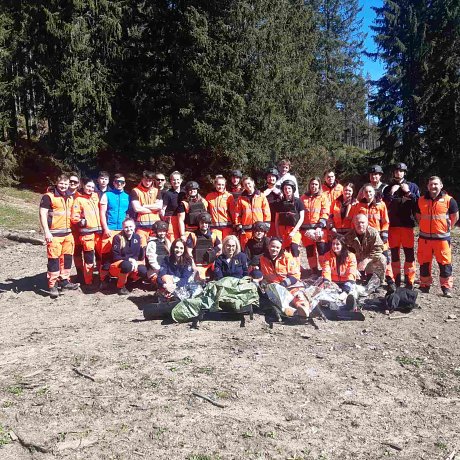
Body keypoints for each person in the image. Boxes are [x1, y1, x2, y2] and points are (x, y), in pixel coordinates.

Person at [415, 176, 459, 297]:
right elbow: (418, 216)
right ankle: (424, 285)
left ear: (441, 185)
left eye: (435, 184)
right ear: (427, 186)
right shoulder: (421, 200)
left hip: (442, 239)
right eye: (431, 184)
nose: (433, 187)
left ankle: (446, 287)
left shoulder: (449, 200)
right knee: (424, 262)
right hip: (425, 239)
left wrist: (448, 227)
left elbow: (455, 216)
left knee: (445, 263)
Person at [39, 174, 80, 298]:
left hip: (68, 234)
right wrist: (46, 232)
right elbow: (42, 215)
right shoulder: (49, 197)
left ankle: (64, 281)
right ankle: (53, 285)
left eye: (66, 184)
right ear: (56, 183)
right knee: (54, 260)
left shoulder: (70, 197)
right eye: (61, 183)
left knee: (67, 259)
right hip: (54, 234)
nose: (63, 186)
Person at [383, 162, 420, 289]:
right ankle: (396, 279)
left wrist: (408, 193)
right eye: (396, 171)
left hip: (407, 226)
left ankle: (409, 281)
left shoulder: (412, 186)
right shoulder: (388, 188)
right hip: (392, 226)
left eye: (401, 171)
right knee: (394, 255)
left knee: (409, 255)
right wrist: (391, 194)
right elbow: (384, 205)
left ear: (405, 172)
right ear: (393, 173)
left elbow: (418, 203)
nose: (398, 173)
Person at [70, 178, 103, 287]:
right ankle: (88, 281)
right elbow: (74, 217)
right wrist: (83, 222)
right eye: (88, 186)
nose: (90, 189)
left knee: (100, 257)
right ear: (83, 186)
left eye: (92, 187)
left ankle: (100, 278)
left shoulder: (95, 197)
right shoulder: (79, 200)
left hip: (98, 233)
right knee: (89, 259)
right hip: (87, 234)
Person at [99, 173, 130, 283]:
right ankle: (103, 279)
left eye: (122, 182)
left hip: (122, 231)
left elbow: (129, 214)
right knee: (106, 255)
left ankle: (120, 277)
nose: (119, 184)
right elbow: (102, 213)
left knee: (121, 255)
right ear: (113, 183)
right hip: (110, 229)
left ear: (124, 184)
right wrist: (105, 228)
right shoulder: (107, 195)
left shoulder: (127, 197)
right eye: (117, 182)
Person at [109, 218, 148, 295]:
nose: (128, 229)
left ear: (134, 227)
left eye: (130, 226)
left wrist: (136, 262)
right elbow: (115, 256)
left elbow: (137, 255)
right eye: (126, 227)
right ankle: (120, 286)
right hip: (118, 264)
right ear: (123, 228)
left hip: (133, 263)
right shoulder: (117, 238)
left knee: (143, 270)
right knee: (127, 265)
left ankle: (129, 282)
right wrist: (129, 260)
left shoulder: (137, 237)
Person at [300, 177, 330, 275]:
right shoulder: (303, 198)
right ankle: (314, 271)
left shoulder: (323, 197)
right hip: (306, 230)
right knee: (310, 252)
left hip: (319, 229)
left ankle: (325, 271)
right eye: (312, 184)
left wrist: (320, 226)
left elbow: (325, 212)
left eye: (316, 184)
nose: (314, 186)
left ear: (319, 185)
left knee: (322, 250)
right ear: (309, 185)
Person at [344, 214, 386, 283]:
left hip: (369, 259)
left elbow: (378, 248)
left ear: (367, 223)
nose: (360, 225)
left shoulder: (373, 233)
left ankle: (379, 281)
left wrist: (366, 261)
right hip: (356, 261)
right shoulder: (348, 236)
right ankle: (354, 279)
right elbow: (345, 253)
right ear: (354, 224)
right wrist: (354, 266)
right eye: (357, 223)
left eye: (362, 222)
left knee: (382, 258)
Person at [234, 176, 271, 250]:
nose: (247, 186)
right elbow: (237, 214)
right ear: (243, 186)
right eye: (245, 185)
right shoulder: (241, 198)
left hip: (259, 230)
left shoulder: (261, 196)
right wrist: (238, 225)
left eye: (249, 183)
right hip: (246, 231)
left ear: (253, 183)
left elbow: (266, 212)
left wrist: (266, 227)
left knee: (260, 250)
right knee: (246, 250)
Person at [322, 235, 358, 305]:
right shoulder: (327, 255)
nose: (335, 246)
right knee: (326, 294)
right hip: (333, 283)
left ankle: (349, 307)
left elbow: (352, 272)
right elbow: (326, 270)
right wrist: (327, 283)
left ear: (343, 245)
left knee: (349, 296)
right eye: (333, 244)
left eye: (337, 244)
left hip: (347, 282)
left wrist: (346, 289)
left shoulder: (351, 256)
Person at [130, 170, 162, 246]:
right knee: (142, 250)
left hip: (155, 227)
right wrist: (153, 209)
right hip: (142, 227)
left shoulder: (157, 191)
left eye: (150, 180)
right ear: (142, 179)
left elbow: (159, 206)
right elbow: (137, 208)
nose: (147, 182)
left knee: (155, 250)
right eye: (146, 180)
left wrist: (144, 206)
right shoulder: (135, 191)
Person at [186, 213, 221, 280]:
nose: (204, 225)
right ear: (199, 223)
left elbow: (220, 247)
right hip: (197, 265)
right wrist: (193, 266)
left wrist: (213, 252)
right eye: (202, 223)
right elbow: (189, 252)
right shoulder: (193, 235)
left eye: (206, 223)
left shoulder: (213, 235)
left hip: (211, 265)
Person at [274, 179, 305, 258]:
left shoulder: (298, 202)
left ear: (293, 189)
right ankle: (287, 269)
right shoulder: (279, 203)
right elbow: (277, 220)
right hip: (282, 231)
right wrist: (278, 233)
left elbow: (301, 218)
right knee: (285, 252)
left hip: (294, 230)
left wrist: (294, 231)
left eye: (289, 188)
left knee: (294, 249)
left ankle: (297, 269)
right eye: (285, 189)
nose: (287, 190)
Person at [205, 175, 234, 241]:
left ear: (225, 185)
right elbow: (205, 210)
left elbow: (233, 212)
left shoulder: (229, 196)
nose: (220, 187)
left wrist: (235, 225)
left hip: (227, 227)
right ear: (215, 184)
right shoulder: (209, 196)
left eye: (222, 185)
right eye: (218, 184)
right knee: (218, 247)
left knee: (227, 246)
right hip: (214, 227)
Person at [162, 171, 185, 241]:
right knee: (173, 239)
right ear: (171, 181)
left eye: (178, 179)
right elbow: (163, 208)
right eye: (174, 180)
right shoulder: (168, 194)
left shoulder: (185, 192)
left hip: (183, 219)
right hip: (172, 219)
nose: (176, 181)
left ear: (181, 180)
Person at [262, 167, 283, 236]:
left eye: (273, 176)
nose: (271, 178)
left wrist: (280, 194)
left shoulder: (281, 189)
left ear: (276, 178)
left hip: (279, 221)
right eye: (269, 176)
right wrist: (263, 194)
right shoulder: (262, 190)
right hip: (265, 220)